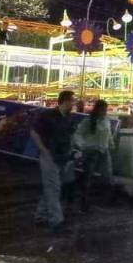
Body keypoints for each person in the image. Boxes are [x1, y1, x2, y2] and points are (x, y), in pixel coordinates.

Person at [31, 90, 76, 230]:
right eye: (72, 101)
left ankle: (40, 216)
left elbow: (69, 136)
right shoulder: (47, 115)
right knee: (54, 188)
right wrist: (44, 150)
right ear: (65, 101)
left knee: (52, 187)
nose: (73, 104)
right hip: (50, 155)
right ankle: (56, 220)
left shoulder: (68, 117)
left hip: (62, 156)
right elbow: (34, 131)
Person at [72, 99, 117, 211]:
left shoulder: (105, 120)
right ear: (98, 110)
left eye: (105, 110)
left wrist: (111, 145)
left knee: (107, 175)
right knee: (88, 177)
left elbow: (108, 134)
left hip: (103, 151)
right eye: (103, 110)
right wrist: (83, 146)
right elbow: (77, 134)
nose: (105, 112)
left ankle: (106, 199)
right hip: (91, 151)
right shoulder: (88, 121)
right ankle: (84, 202)